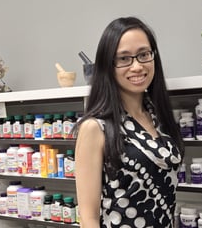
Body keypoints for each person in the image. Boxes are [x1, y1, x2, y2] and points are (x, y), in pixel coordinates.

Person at [75, 16, 184, 228]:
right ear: (108, 65)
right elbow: (88, 218)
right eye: (124, 58)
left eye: (144, 54)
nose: (137, 66)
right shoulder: (95, 127)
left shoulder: (159, 118)